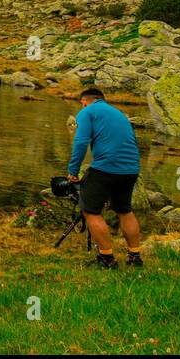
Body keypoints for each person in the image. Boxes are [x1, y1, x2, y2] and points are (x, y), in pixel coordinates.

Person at [67, 87, 143, 268]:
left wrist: (73, 171)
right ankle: (135, 256)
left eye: (82, 104)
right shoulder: (118, 113)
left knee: (91, 211)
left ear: (84, 101)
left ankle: (106, 258)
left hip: (106, 167)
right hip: (131, 168)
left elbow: (80, 141)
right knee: (124, 210)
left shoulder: (87, 112)